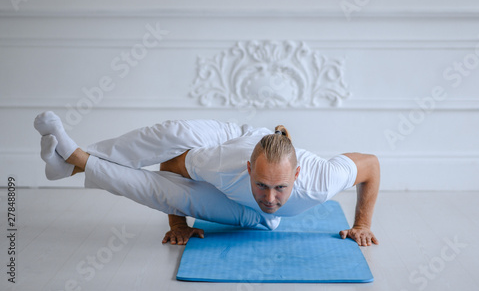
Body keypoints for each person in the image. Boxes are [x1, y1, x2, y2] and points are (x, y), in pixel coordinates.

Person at [34, 111, 380, 247]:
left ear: (298, 176)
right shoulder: (220, 163)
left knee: (164, 189)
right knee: (174, 133)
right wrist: (177, 221)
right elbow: (168, 167)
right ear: (247, 170)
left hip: (250, 218)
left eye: (280, 187)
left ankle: (73, 160)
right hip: (226, 138)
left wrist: (362, 223)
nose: (271, 197)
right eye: (261, 184)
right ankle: (75, 158)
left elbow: (371, 165)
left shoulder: (321, 178)